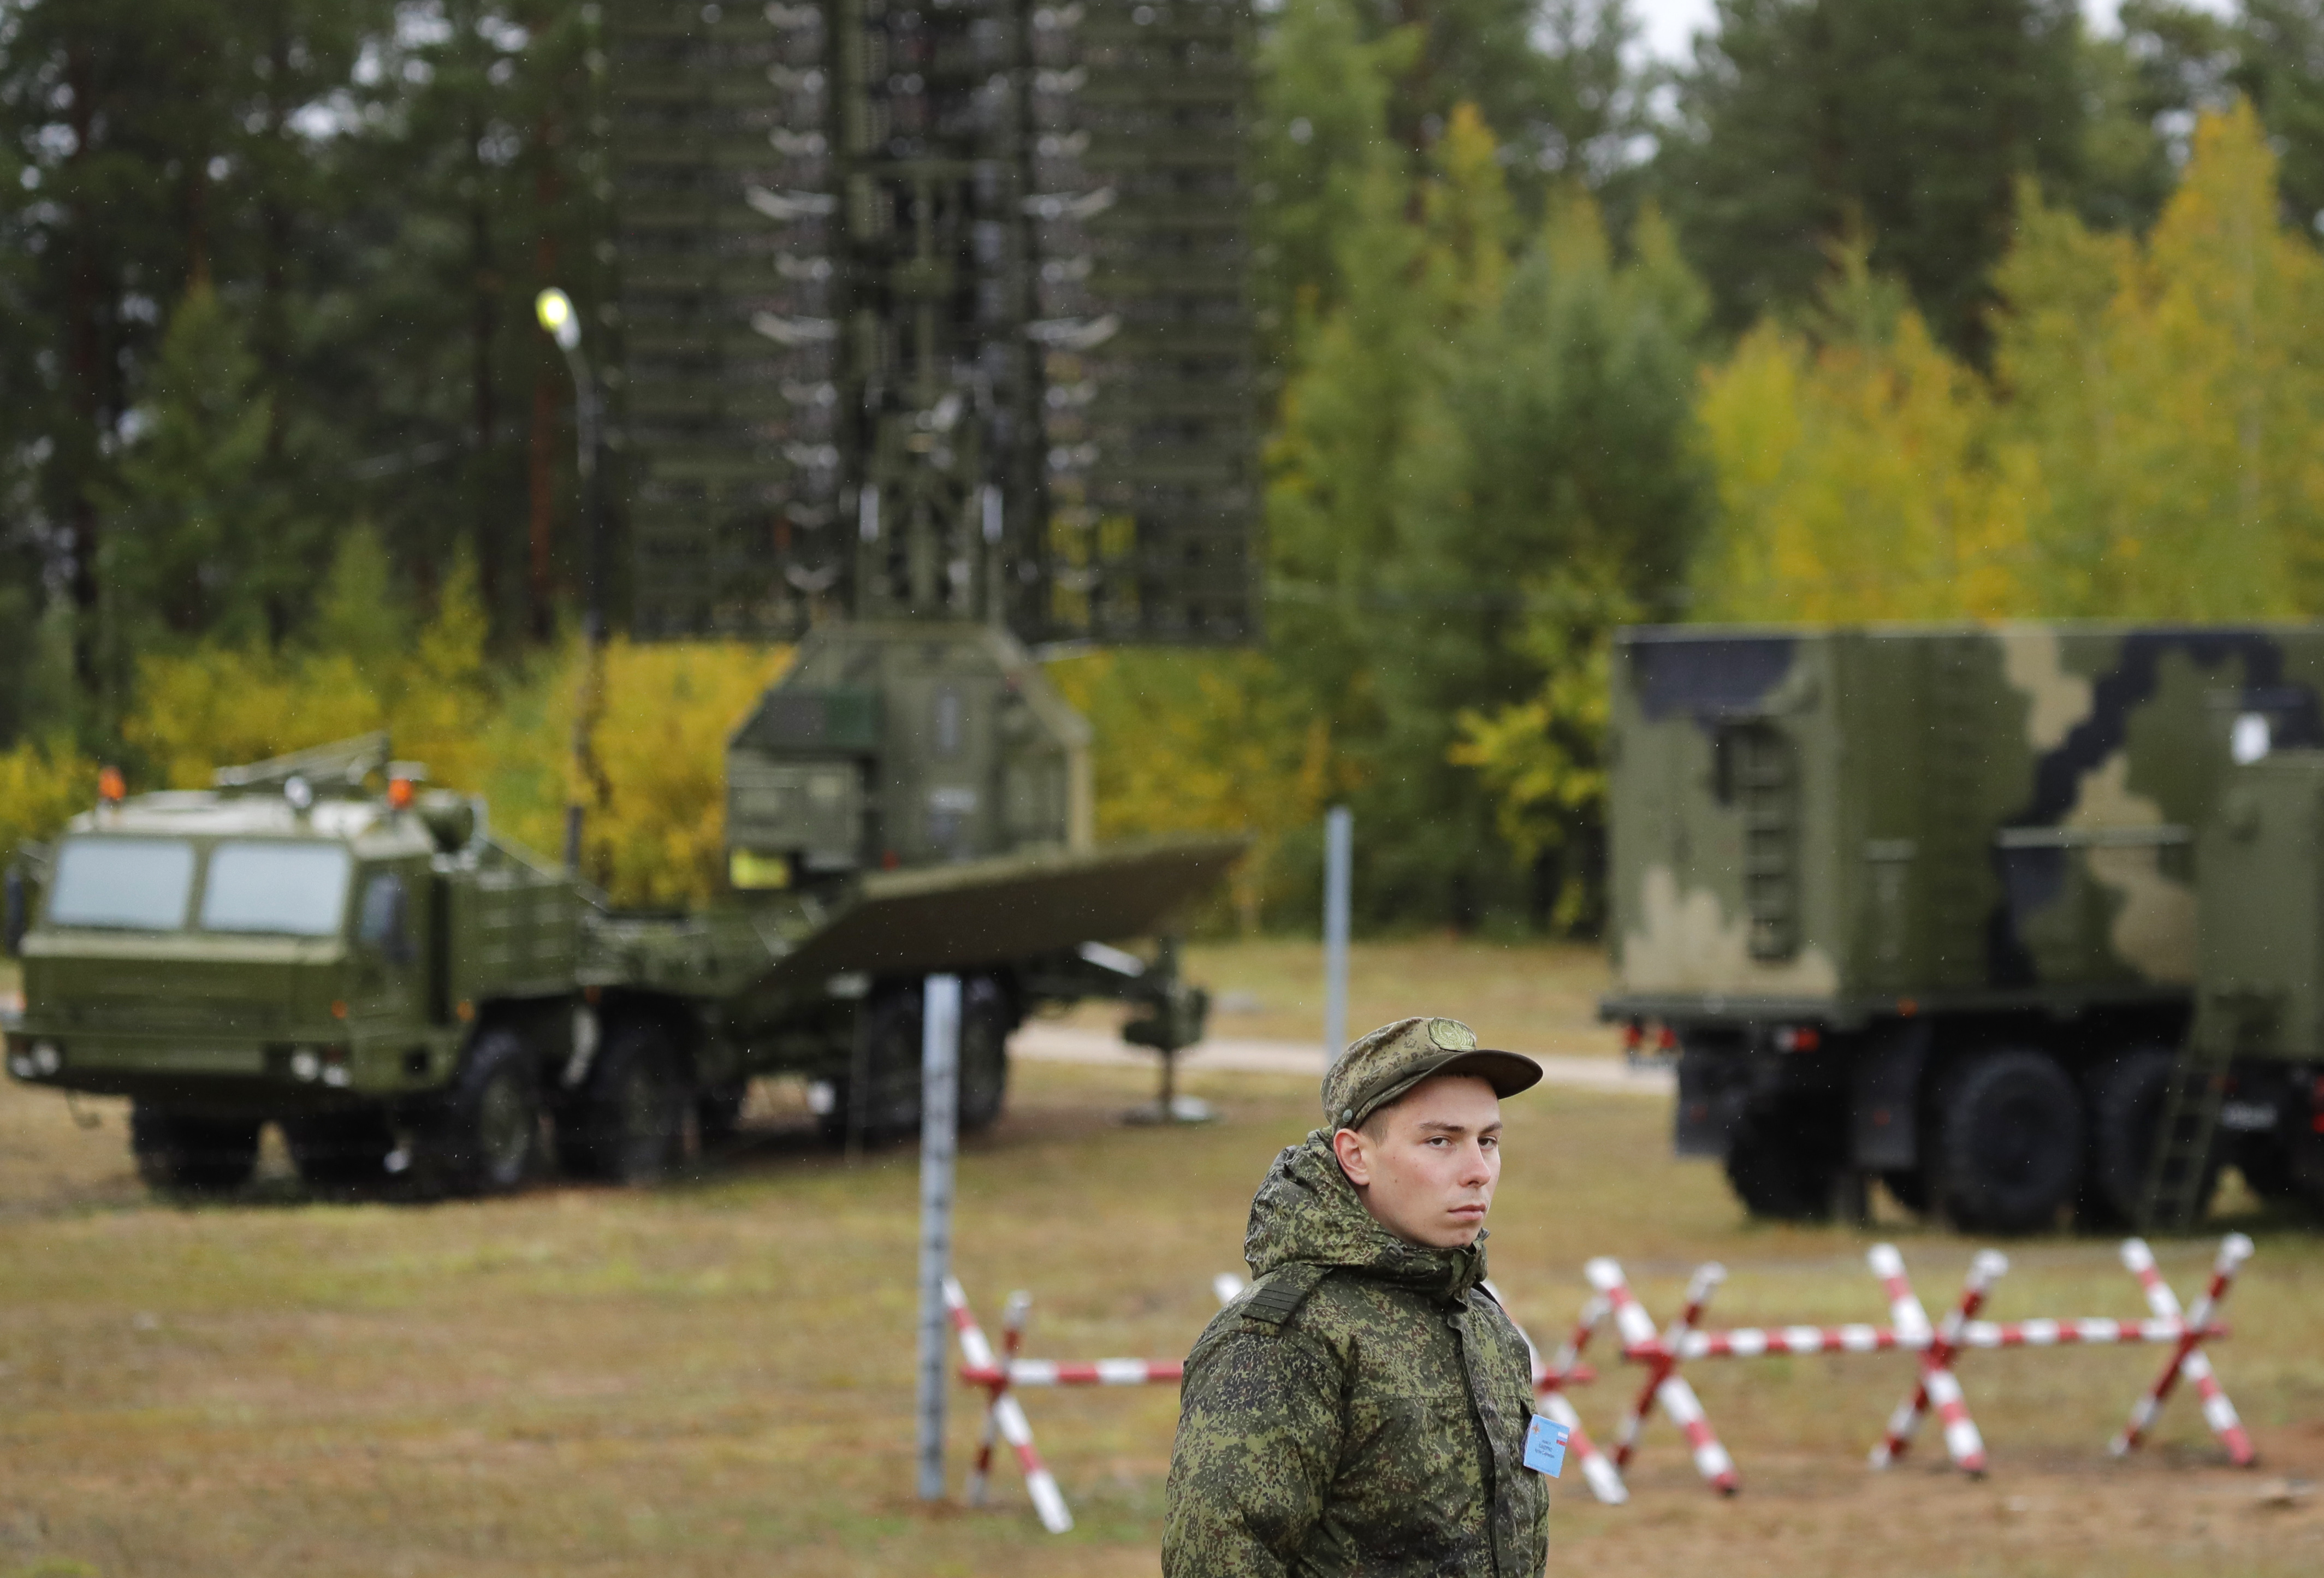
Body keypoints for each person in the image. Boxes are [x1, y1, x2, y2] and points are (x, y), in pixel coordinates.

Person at [1163, 1016, 1551, 1577]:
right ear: (1355, 1156)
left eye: (1487, 1141)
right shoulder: (1287, 1338)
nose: (1476, 1172)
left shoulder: (1478, 1317)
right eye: (1439, 1141)